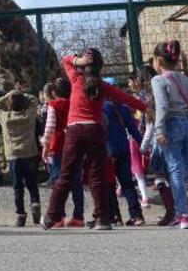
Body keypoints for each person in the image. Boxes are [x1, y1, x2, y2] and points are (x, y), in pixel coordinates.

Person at [43, 49, 146, 231]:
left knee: (65, 176)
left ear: (84, 66)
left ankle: (51, 216)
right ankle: (103, 219)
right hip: (95, 131)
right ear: (101, 67)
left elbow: (65, 61)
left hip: (74, 131)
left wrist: (77, 61)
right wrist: (147, 108)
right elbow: (128, 99)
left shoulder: (76, 79)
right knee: (96, 176)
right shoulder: (103, 86)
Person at [150, 41, 188, 229]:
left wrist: (159, 130)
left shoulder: (158, 80)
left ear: (158, 60)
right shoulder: (186, 80)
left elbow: (162, 106)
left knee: (176, 170)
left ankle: (182, 214)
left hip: (171, 125)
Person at [0, 89, 41, 226]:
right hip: (30, 153)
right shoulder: (29, 115)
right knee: (32, 183)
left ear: (9, 105)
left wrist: (9, 94)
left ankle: (20, 214)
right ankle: (35, 202)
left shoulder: (5, 117)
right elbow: (34, 100)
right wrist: (21, 93)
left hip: (13, 156)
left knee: (17, 186)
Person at [42, 78, 85, 227]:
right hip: (75, 144)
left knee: (57, 180)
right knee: (76, 180)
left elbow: (50, 126)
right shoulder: (75, 103)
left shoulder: (53, 105)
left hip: (59, 145)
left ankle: (58, 216)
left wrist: (45, 145)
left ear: (53, 92)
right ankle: (79, 216)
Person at [103, 77, 145, 226]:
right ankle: (137, 215)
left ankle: (115, 216)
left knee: (109, 184)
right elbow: (133, 130)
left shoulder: (102, 107)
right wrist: (143, 146)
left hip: (108, 150)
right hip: (123, 149)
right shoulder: (123, 108)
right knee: (127, 184)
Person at [128, 71, 151, 208]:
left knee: (137, 167)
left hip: (138, 134)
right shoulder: (145, 95)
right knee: (136, 165)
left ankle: (144, 197)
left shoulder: (137, 98)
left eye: (130, 81)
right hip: (145, 133)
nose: (129, 84)